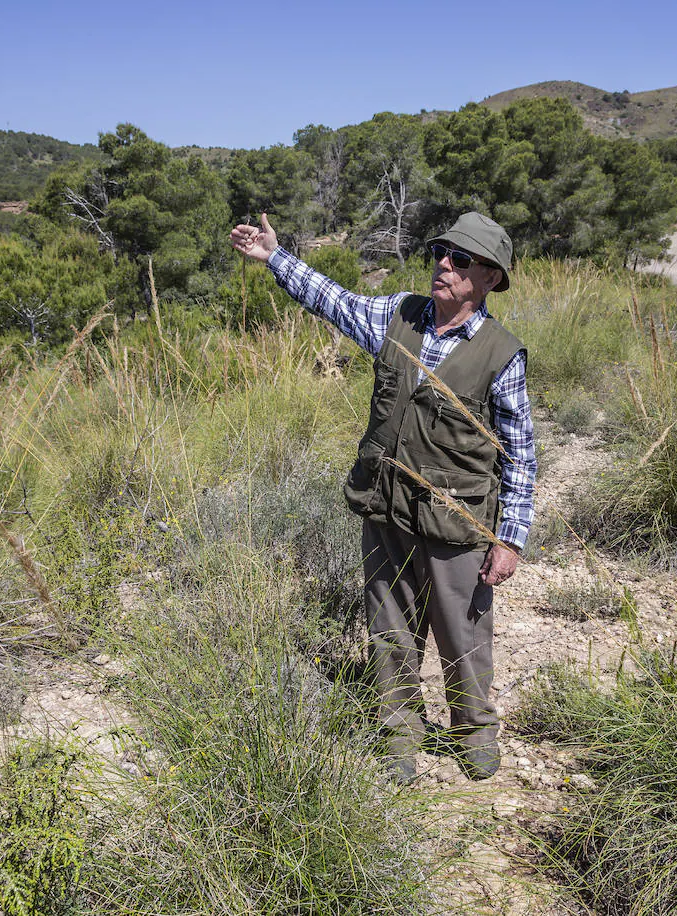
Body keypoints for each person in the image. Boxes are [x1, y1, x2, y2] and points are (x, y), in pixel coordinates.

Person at [230, 212, 537, 782]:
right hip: (386, 504)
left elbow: (519, 454)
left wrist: (510, 539)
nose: (444, 264)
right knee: (389, 624)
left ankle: (473, 730)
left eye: (461, 260)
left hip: (457, 519)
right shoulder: (397, 315)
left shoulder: (501, 353)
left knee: (462, 631)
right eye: (442, 252)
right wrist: (275, 257)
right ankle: (398, 729)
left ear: (492, 278)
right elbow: (334, 300)